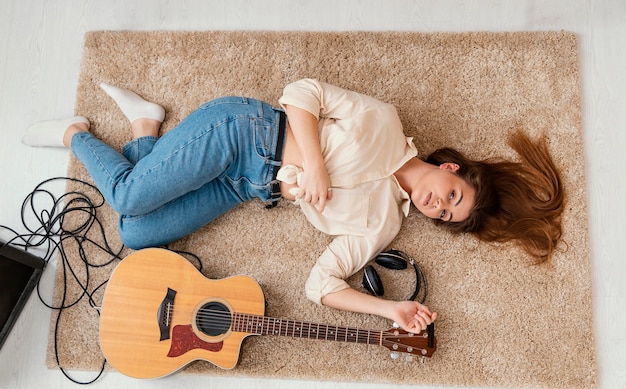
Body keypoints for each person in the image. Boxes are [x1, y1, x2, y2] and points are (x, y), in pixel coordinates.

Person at [22, 78, 564, 334]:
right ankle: (75, 134)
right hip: (243, 132)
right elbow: (302, 92)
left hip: (246, 189)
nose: (436, 205)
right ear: (450, 169)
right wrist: (317, 164)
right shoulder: (386, 122)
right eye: (451, 196)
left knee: (136, 235)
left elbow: (320, 285)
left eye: (446, 215)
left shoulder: (385, 224)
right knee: (127, 196)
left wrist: (388, 310)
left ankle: (145, 126)